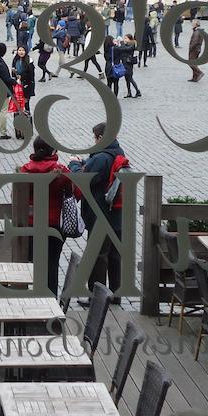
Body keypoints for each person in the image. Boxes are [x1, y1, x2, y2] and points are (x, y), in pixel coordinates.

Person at [69, 122, 127, 302]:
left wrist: (74, 165)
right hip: (116, 213)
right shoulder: (117, 151)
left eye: (94, 137)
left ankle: (97, 298)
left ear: (100, 138)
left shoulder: (101, 157)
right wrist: (85, 162)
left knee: (98, 255)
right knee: (114, 255)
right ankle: (116, 294)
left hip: (100, 212)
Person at [20, 136, 72, 297]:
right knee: (51, 265)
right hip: (53, 226)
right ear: (54, 151)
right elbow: (77, 193)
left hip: (30, 226)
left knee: (28, 264)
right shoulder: (61, 171)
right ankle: (50, 302)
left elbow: (16, 197)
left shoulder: (24, 171)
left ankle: (29, 301)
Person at [11, 45, 36, 138]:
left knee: (26, 106)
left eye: (23, 50)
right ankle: (19, 128)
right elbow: (12, 73)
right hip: (17, 87)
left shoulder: (29, 61)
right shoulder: (15, 60)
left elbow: (31, 75)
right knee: (17, 107)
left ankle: (27, 127)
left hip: (26, 86)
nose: (21, 52)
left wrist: (21, 77)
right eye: (19, 50)